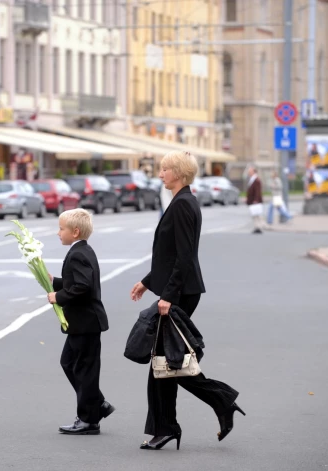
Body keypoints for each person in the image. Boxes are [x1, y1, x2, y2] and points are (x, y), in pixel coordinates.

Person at [130, 151, 243, 451]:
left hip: (180, 293)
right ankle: (212, 406)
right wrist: (147, 281)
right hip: (178, 288)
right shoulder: (182, 202)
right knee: (166, 363)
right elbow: (170, 256)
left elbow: (184, 256)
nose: (160, 174)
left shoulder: (182, 205)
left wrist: (167, 295)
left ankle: (178, 421)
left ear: (178, 172)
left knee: (165, 362)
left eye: (165, 169)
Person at [47, 208, 114, 435]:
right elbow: (75, 280)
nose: (58, 233)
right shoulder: (83, 250)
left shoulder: (78, 254)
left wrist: (58, 296)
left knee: (84, 368)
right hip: (82, 323)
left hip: (85, 322)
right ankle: (97, 404)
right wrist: (54, 281)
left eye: (61, 228)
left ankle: (88, 420)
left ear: (75, 232)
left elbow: (82, 286)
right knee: (70, 363)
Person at [246, 166, 264, 234]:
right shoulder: (252, 179)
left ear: (253, 172)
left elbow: (257, 191)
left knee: (257, 214)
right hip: (252, 200)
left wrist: (256, 199)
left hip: (255, 200)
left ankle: (259, 226)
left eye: (250, 172)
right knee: (254, 214)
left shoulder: (256, 180)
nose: (249, 173)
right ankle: (257, 227)